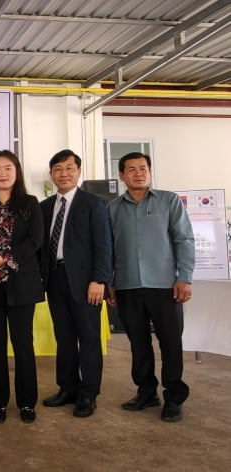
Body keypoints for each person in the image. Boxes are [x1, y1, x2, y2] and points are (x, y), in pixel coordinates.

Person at [107, 152, 195, 422]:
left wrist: (185, 276)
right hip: (127, 285)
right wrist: (109, 282)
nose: (138, 173)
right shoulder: (112, 208)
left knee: (170, 342)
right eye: (131, 170)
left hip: (165, 285)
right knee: (139, 343)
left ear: (150, 171)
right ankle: (146, 392)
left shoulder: (168, 201)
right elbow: (107, 249)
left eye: (143, 168)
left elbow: (184, 239)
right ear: (121, 176)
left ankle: (174, 398)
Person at [39, 149, 112, 418]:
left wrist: (99, 280)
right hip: (55, 280)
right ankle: (67, 388)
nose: (64, 173)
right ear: (51, 174)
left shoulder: (93, 204)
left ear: (78, 171)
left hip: (85, 283)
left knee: (89, 338)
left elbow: (104, 246)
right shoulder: (45, 207)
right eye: (58, 169)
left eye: (69, 168)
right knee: (65, 338)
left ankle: (88, 394)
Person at [0, 150, 44, 424]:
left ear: (17, 172)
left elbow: (35, 240)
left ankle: (27, 402)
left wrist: (6, 258)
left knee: (23, 344)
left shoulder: (30, 203)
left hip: (21, 283)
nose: (2, 173)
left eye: (8, 168)